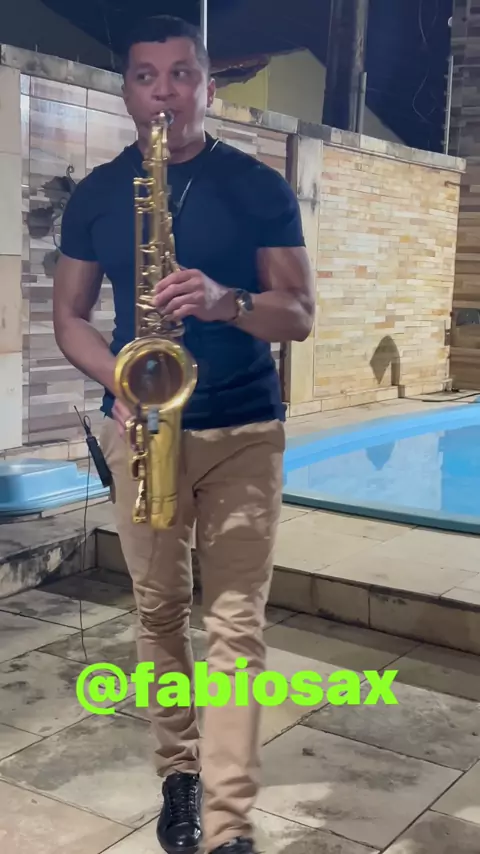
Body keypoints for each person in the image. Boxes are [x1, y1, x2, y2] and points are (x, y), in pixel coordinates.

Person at [53, 14, 314, 854]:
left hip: (243, 429)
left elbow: (299, 316)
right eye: (145, 76)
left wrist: (227, 301)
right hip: (142, 430)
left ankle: (230, 817)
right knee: (160, 612)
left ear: (208, 84)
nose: (164, 92)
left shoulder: (258, 187)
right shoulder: (99, 193)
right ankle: (181, 776)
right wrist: (117, 383)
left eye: (181, 74)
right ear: (126, 89)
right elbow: (69, 317)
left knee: (236, 626)